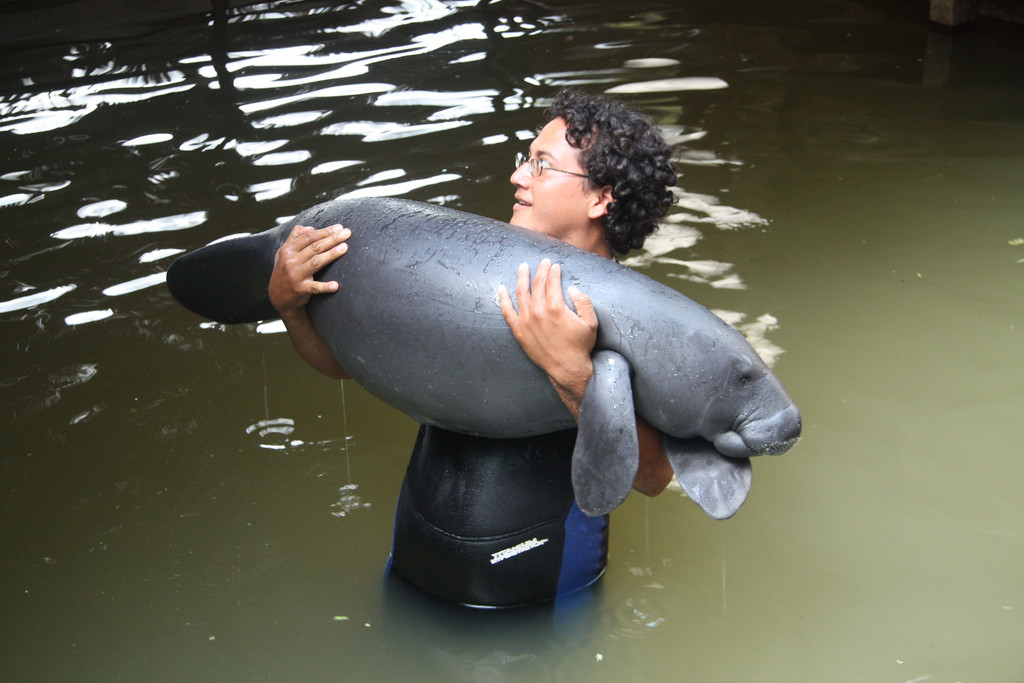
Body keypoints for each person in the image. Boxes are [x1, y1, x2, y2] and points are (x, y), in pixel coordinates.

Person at [268, 88, 677, 607]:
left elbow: (653, 476)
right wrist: (291, 307)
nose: (517, 176)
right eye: (525, 160)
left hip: (537, 585)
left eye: (541, 165)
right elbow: (345, 366)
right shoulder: (465, 279)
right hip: (417, 547)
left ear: (602, 197)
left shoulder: (628, 320)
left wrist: (574, 373)